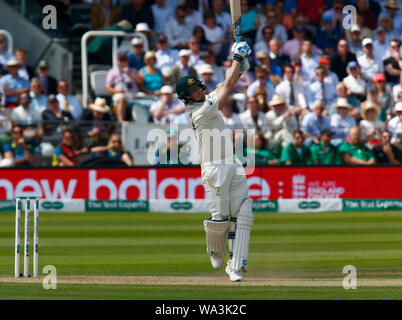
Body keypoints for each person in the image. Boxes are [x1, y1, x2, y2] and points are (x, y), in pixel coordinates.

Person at [175, 40, 253, 282]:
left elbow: (222, 84)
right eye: (194, 92)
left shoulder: (207, 101)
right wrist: (237, 59)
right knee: (220, 218)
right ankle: (214, 248)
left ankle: (235, 265)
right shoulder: (200, 111)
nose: (200, 91)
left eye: (199, 88)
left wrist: (240, 68)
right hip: (214, 168)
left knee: (244, 212)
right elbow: (227, 86)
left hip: (231, 162)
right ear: (187, 99)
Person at [106, 51, 141, 123]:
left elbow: (140, 82)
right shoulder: (112, 72)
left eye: (124, 60)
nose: (123, 62)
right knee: (122, 99)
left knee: (143, 100)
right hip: (120, 94)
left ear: (127, 60)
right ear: (118, 61)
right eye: (121, 60)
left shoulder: (133, 70)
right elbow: (108, 88)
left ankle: (141, 122)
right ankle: (121, 122)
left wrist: (129, 73)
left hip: (134, 93)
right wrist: (117, 91)